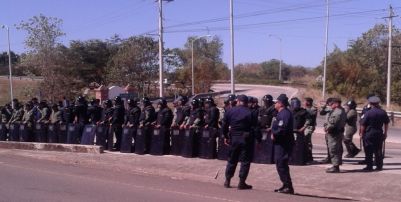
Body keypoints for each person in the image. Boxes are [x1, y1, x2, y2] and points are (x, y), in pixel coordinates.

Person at [223, 94, 256, 190]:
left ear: (238, 101)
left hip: (234, 138)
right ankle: (241, 182)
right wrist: (258, 139)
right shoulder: (250, 113)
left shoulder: (230, 111)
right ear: (246, 103)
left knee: (232, 159)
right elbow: (255, 127)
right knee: (245, 161)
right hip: (246, 139)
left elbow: (224, 125)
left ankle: (227, 180)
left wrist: (225, 136)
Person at [271, 94, 294, 194]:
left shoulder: (285, 114)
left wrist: (274, 134)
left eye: (276, 102)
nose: (275, 104)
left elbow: (282, 129)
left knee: (281, 164)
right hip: (280, 143)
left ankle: (288, 186)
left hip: (283, 143)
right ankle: (285, 185)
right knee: (280, 164)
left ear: (280, 104)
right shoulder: (281, 113)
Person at [360, 96, 389, 171]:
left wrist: (362, 134)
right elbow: (386, 123)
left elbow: (363, 124)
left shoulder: (368, 112)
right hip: (379, 132)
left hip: (369, 133)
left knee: (369, 150)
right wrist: (385, 133)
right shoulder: (383, 112)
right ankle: (379, 166)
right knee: (378, 150)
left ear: (370, 103)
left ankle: (369, 166)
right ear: (378, 103)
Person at [324, 98, 347, 173]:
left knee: (333, 149)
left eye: (332, 103)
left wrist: (327, 128)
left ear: (336, 104)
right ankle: (336, 165)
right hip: (338, 132)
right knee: (338, 148)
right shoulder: (342, 111)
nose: (331, 105)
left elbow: (333, 123)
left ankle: (335, 166)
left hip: (334, 133)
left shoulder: (337, 112)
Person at [319, 97, 334, 164]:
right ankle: (329, 157)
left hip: (331, 128)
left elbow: (322, 112)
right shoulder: (329, 108)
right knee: (328, 144)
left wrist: (324, 106)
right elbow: (321, 113)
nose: (328, 104)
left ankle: (331, 158)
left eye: (329, 103)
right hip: (327, 127)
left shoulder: (332, 109)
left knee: (331, 145)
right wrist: (324, 106)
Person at [304, 97, 317, 163]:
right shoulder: (306, 108)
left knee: (307, 141)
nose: (304, 103)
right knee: (306, 141)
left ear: (308, 102)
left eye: (305, 101)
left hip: (310, 127)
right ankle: (306, 155)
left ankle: (309, 156)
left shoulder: (313, 109)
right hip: (305, 126)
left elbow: (310, 113)